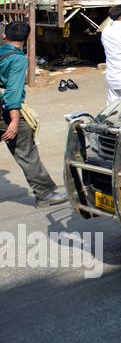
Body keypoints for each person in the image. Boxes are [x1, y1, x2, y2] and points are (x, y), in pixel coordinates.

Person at [0, 22, 65, 207]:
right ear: (27, 38)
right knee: (26, 152)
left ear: (5, 35)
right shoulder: (18, 60)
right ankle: (45, 194)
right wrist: (14, 120)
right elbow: (13, 92)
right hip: (5, 112)